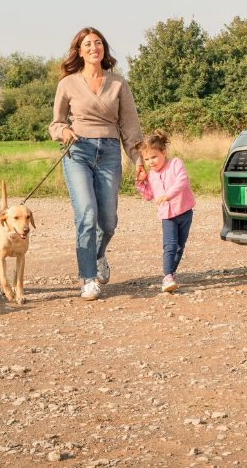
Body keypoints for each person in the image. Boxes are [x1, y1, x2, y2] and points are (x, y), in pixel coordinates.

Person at [48, 26, 142, 300]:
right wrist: (63, 131)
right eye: (87, 44)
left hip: (110, 151)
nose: (93, 47)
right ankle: (88, 278)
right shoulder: (67, 84)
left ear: (104, 49)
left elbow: (131, 127)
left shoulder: (118, 83)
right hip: (77, 151)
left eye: (98, 43)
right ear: (79, 51)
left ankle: (99, 254)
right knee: (87, 215)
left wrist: (137, 160)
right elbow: (56, 122)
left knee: (108, 221)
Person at [134, 133, 195, 293]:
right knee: (170, 246)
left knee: (180, 246)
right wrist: (140, 183)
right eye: (146, 160)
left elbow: (182, 181)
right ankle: (167, 277)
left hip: (184, 212)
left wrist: (168, 195)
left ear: (164, 153)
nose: (150, 162)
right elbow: (148, 195)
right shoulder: (151, 176)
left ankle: (171, 274)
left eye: (154, 157)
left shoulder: (176, 164)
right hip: (167, 217)